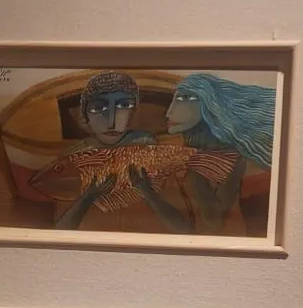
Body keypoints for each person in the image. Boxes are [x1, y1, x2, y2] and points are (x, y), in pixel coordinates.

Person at [56, 71, 192, 232]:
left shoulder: (153, 156)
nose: (112, 121)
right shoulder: (74, 162)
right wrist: (87, 198)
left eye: (124, 106)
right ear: (85, 115)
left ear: (133, 112)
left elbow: (184, 232)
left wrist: (148, 193)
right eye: (98, 108)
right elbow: (58, 233)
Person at [161, 73, 277, 234]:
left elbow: (213, 224)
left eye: (184, 98)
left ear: (208, 102)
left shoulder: (231, 156)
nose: (169, 112)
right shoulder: (189, 150)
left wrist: (195, 167)